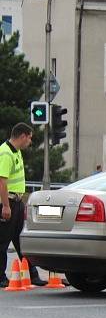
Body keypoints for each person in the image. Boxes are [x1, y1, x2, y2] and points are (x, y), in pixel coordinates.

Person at [0, 123, 46, 288]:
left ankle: (32, 274)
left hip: (17, 202)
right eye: (30, 138)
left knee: (21, 241)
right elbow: (2, 182)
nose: (30, 142)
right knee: (3, 242)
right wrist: (6, 206)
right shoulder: (5, 153)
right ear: (22, 136)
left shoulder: (16, 151)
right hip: (8, 202)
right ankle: (0, 277)